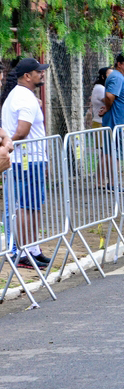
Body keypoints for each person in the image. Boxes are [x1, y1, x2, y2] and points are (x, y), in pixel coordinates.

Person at [1, 57, 51, 269]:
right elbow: (22, 131)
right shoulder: (24, 97)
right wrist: (9, 144)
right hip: (27, 159)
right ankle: (23, 250)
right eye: (39, 71)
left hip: (30, 158)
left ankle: (33, 248)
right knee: (26, 206)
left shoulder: (23, 95)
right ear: (27, 76)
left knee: (33, 205)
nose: (42, 73)